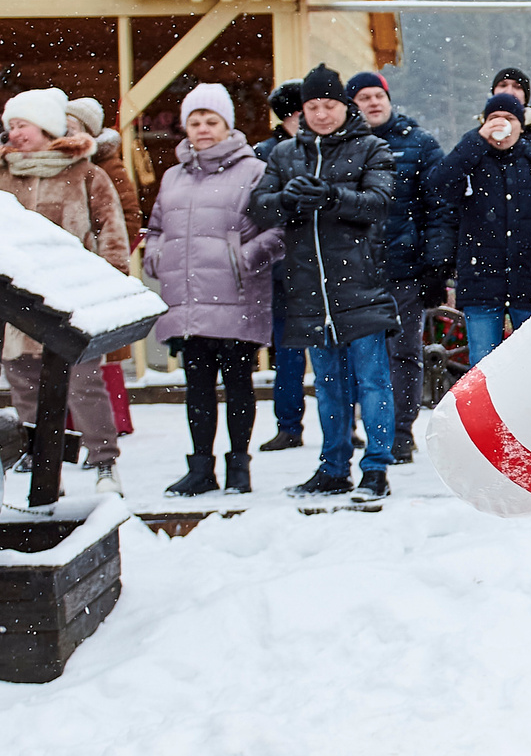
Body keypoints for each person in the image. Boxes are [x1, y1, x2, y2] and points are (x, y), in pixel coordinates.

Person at [250, 64, 399, 499]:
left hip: (361, 282)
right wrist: (285, 200)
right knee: (329, 385)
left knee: (372, 382)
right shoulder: (283, 155)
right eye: (312, 106)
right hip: (309, 287)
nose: (320, 114)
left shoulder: (372, 147)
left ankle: (376, 470)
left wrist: (333, 198)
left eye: (328, 105)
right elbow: (258, 209)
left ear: (343, 106)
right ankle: (333, 468)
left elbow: (379, 202)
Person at [0, 87, 130, 494]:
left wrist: (111, 288)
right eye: (10, 125)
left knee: (83, 383)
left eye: (22, 124)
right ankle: (43, 468)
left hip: (72, 300)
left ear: (46, 127)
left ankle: (103, 460)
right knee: (25, 383)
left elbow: (112, 234)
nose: (14, 132)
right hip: (16, 299)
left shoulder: (86, 173)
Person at [146, 83, 283, 498]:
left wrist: (242, 259)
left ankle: (238, 468)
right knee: (198, 387)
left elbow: (277, 230)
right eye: (195, 121)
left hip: (236, 296)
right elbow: (155, 229)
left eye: (211, 121)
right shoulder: (172, 176)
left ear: (227, 126)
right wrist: (157, 257)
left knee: (239, 382)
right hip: (187, 300)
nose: (203, 129)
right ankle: (200, 469)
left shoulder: (255, 171)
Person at [426, 90, 531, 364]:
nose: (501, 123)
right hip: (480, 282)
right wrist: (476, 140)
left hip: (528, 280)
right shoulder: (470, 158)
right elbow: (437, 185)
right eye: (494, 118)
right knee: (482, 365)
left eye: (509, 118)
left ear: (521, 125)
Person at [350, 70, 443, 463]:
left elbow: (440, 208)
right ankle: (371, 431)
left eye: (378, 95)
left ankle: (401, 433)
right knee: (363, 358)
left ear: (388, 100)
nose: (373, 103)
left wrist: (435, 264)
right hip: (355, 271)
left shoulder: (419, 145)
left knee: (404, 354)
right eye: (363, 98)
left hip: (406, 267)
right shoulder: (343, 148)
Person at [258, 80, 310, 452]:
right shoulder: (266, 154)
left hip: (330, 264)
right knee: (287, 353)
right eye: (295, 116)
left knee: (337, 355)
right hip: (282, 267)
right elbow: (259, 209)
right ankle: (288, 424)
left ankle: (345, 425)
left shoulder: (334, 148)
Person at [65, 96, 144, 248]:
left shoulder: (108, 166)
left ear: (88, 132)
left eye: (71, 130)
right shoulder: (60, 163)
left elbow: (130, 215)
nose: (66, 135)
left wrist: (109, 251)